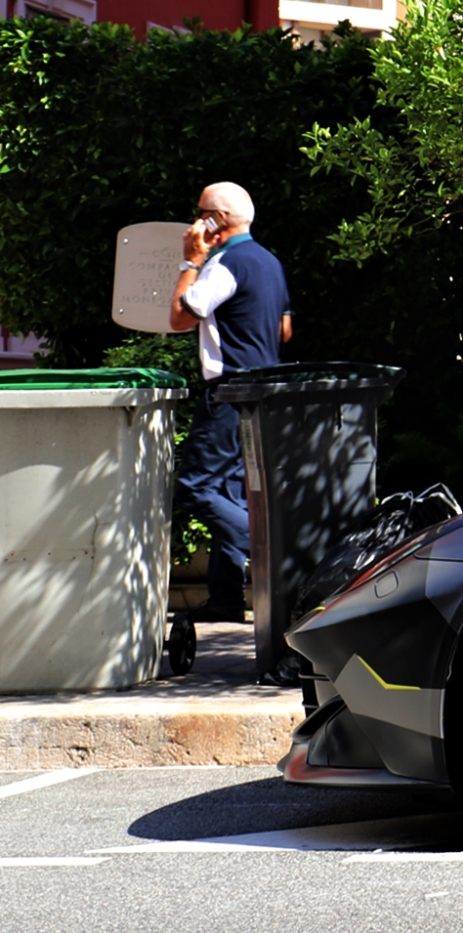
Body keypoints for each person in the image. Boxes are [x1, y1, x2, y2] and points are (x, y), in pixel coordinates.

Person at [169, 182, 292, 623]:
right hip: (265, 394)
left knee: (197, 487)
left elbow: (181, 316)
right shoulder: (270, 262)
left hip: (229, 394)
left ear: (216, 220)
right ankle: (224, 596)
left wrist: (191, 260)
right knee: (234, 492)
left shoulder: (223, 262)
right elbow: (284, 330)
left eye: (199, 211)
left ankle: (272, 547)